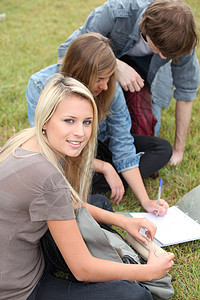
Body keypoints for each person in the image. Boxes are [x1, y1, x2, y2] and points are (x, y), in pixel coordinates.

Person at [0, 74, 175, 300]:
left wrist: (124, 221)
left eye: (87, 122)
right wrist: (147, 271)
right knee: (134, 295)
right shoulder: (46, 175)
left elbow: (67, 203)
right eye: (69, 121)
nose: (81, 133)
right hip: (20, 290)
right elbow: (82, 269)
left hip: (25, 252)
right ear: (45, 120)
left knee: (99, 204)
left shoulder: (28, 141)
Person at [27, 32, 172, 215]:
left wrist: (146, 200)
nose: (105, 86)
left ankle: (96, 180)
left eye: (109, 77)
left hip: (97, 145)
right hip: (64, 154)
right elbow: (46, 146)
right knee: (53, 170)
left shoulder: (110, 87)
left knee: (162, 149)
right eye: (99, 79)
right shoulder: (41, 85)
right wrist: (104, 166)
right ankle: (91, 180)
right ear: (81, 72)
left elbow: (122, 140)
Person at [57, 0, 199, 166]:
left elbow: (186, 92)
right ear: (144, 26)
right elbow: (69, 51)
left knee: (149, 132)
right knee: (97, 131)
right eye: (160, 49)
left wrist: (178, 150)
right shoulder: (116, 11)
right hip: (102, 72)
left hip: (148, 79)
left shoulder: (182, 40)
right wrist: (116, 66)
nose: (163, 57)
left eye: (168, 54)